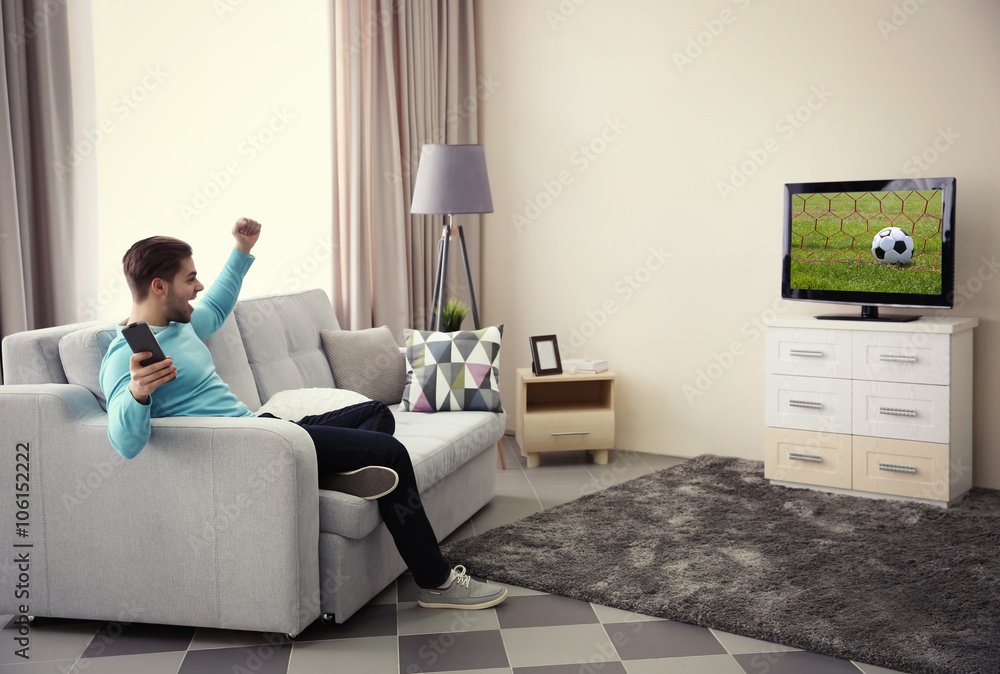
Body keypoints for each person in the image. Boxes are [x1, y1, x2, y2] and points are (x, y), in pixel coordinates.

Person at [98, 217, 506, 611]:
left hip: (267, 429)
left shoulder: (181, 325)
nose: (199, 286)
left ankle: (320, 471)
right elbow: (125, 443)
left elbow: (218, 306)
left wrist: (242, 249)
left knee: (377, 412)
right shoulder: (125, 359)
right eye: (190, 278)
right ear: (158, 286)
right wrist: (138, 391)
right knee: (391, 453)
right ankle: (437, 583)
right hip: (251, 450)